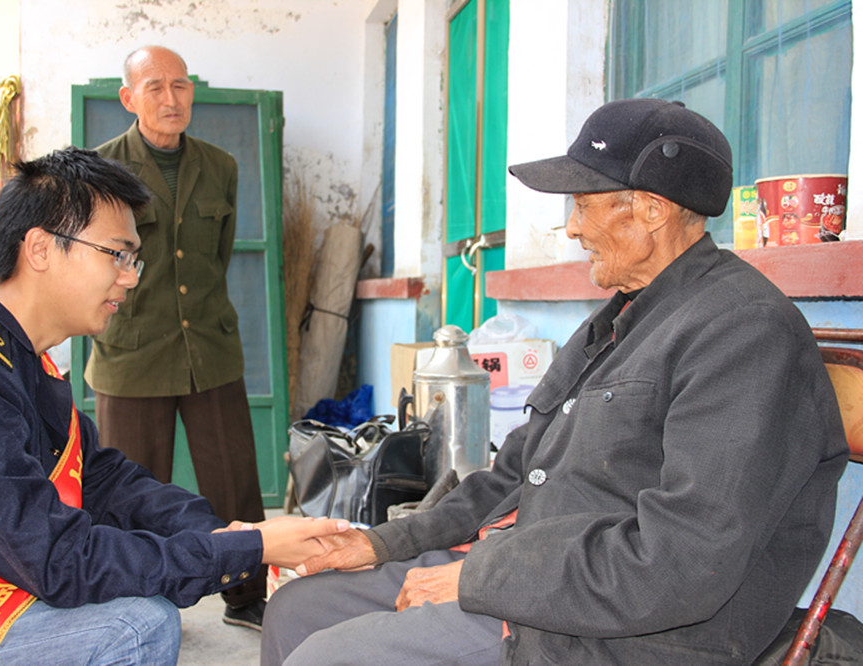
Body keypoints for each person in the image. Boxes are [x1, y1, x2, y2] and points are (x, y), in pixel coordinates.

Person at [260, 98, 850, 665]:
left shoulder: (743, 332)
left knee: (328, 657)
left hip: (619, 631)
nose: (571, 228)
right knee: (298, 609)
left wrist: (478, 578)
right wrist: (382, 543)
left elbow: (685, 561)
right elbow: (513, 476)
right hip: (529, 572)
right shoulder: (621, 317)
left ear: (652, 209)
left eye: (584, 206)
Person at [0, 147, 348, 665]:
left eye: (133, 259)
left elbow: (104, 481)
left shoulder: (14, 358)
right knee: (135, 626)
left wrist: (226, 534)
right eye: (116, 254)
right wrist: (247, 550)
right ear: (41, 249)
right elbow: (59, 560)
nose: (131, 277)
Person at [84, 44, 269, 630]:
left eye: (181, 86)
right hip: (132, 352)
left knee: (234, 480)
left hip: (209, 347)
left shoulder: (220, 166)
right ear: (129, 98)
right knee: (130, 489)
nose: (171, 98)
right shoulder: (101, 170)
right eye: (156, 87)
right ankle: (136, 605)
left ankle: (247, 597)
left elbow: (215, 256)